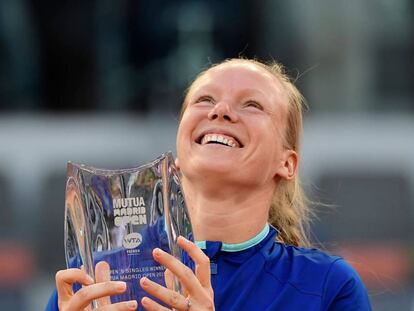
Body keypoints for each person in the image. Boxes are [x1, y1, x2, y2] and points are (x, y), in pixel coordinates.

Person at [45, 58, 372, 311]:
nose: (221, 111)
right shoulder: (97, 275)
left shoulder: (327, 286)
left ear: (287, 164)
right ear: (178, 155)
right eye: (204, 100)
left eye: (252, 104)